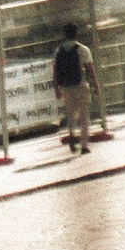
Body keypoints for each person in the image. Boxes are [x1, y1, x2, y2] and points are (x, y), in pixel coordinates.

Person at [51, 20, 104, 152]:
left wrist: (57, 89)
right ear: (77, 33)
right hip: (80, 85)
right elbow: (90, 70)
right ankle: (84, 145)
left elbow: (55, 72)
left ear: (65, 34)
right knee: (84, 116)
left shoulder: (58, 51)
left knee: (70, 115)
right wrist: (96, 86)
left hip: (66, 87)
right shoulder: (83, 49)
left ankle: (72, 137)